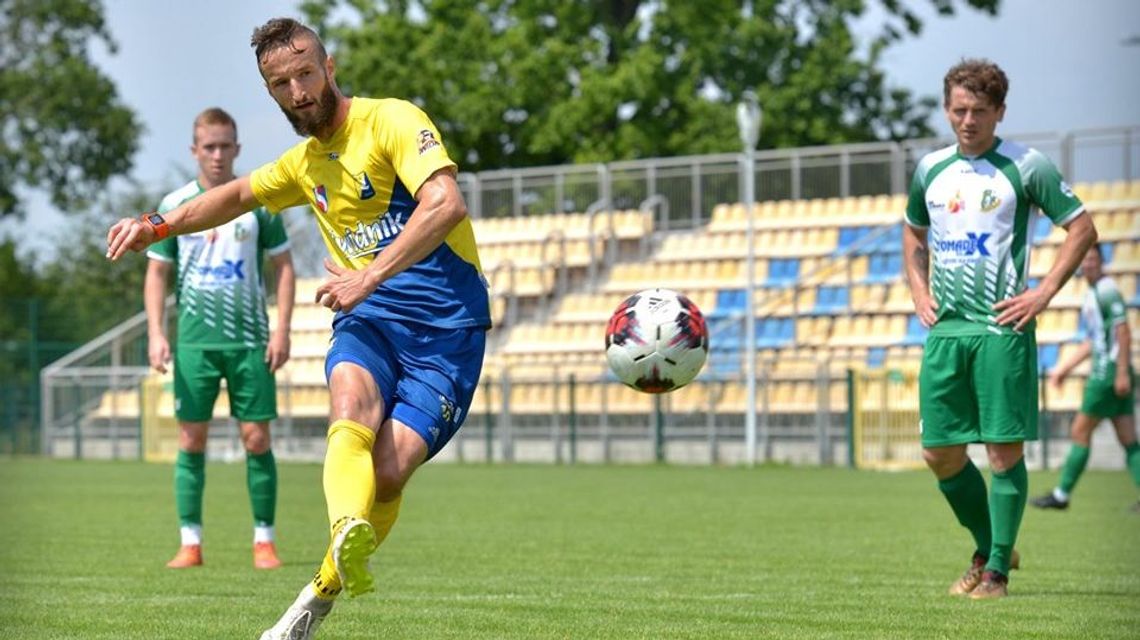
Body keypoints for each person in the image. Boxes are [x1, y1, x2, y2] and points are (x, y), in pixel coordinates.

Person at [107, 17, 489, 640]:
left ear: (329, 67)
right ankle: (345, 530)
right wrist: (156, 224)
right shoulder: (301, 164)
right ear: (272, 91)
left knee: (388, 474)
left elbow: (445, 205)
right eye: (281, 83)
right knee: (351, 405)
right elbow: (230, 198)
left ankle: (322, 589)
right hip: (370, 320)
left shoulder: (392, 119)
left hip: (449, 327)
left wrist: (366, 275)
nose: (298, 91)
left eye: (306, 73)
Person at [902, 58, 1097, 599]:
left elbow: (1081, 227)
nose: (968, 120)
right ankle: (993, 545)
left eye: (980, 111)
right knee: (939, 453)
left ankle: (995, 575)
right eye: (960, 110)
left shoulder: (1026, 166)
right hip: (947, 332)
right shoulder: (930, 170)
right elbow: (914, 233)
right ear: (947, 109)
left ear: (1000, 112)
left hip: (1001, 330)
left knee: (1002, 453)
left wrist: (1044, 291)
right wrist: (920, 291)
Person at [145, 107, 296, 571]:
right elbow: (156, 273)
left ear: (237, 149)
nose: (216, 155)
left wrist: (283, 328)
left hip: (250, 340)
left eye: (225, 146)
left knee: (256, 438)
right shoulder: (174, 206)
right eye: (208, 147)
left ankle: (264, 541)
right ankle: (190, 543)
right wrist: (156, 332)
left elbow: (284, 267)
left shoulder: (256, 203)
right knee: (191, 440)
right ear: (194, 150)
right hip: (194, 344)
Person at [1031, 244, 1139, 512]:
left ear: (1101, 262)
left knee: (1079, 430)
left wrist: (1122, 371)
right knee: (1128, 439)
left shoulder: (1107, 291)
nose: (1088, 264)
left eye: (1093, 259)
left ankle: (1061, 494)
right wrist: (1064, 368)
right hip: (1112, 372)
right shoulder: (1092, 294)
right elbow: (1093, 341)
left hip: (1107, 374)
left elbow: (1123, 332)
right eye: (1085, 259)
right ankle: (1061, 494)